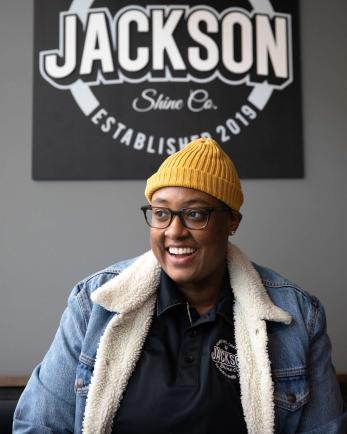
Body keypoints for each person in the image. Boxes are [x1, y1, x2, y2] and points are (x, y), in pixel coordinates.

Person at [13, 138, 346, 433]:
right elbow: (38, 425)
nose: (174, 231)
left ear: (232, 221)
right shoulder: (96, 303)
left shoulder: (297, 315)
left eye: (195, 214)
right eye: (161, 213)